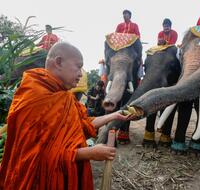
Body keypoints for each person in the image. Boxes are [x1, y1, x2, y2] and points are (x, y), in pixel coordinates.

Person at [0, 42, 132, 189]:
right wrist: (88, 153)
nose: (81, 73)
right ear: (58, 62)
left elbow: (82, 124)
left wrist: (114, 116)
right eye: (78, 66)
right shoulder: (34, 98)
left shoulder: (65, 97)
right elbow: (35, 158)